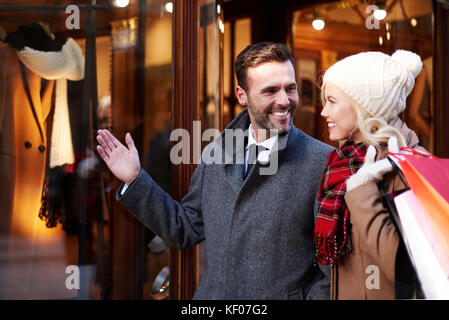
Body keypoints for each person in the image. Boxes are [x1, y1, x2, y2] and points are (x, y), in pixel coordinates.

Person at [96, 42, 333, 299]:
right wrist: (135, 180)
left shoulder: (322, 162)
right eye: (270, 91)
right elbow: (185, 228)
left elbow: (331, 273)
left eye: (291, 88)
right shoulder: (217, 153)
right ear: (241, 95)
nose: (284, 100)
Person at [315, 49, 426, 299]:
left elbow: (400, 265)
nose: (324, 112)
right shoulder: (342, 162)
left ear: (364, 106)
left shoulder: (409, 165)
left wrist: (361, 190)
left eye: (332, 101)